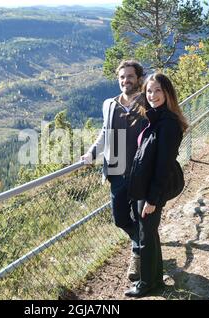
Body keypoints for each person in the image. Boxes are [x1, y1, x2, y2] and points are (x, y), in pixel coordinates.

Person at [123, 72, 188, 297]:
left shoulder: (168, 124)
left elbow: (163, 166)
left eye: (158, 90)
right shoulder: (156, 117)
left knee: (146, 235)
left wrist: (152, 199)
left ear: (167, 92)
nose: (152, 95)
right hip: (146, 185)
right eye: (149, 91)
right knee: (149, 232)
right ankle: (155, 280)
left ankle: (146, 284)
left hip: (153, 188)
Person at [82, 60, 145, 281]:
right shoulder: (110, 104)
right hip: (116, 170)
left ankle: (138, 256)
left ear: (138, 78)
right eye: (122, 77)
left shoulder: (148, 100)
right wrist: (91, 153)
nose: (125, 80)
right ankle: (140, 241)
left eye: (130, 76)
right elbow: (104, 133)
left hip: (141, 171)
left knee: (141, 218)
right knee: (120, 218)